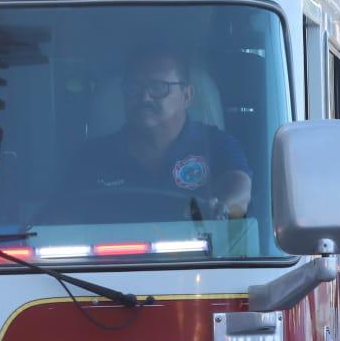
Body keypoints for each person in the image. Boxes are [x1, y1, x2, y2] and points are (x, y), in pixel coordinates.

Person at [59, 49, 252, 222]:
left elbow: (240, 186)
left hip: (199, 260)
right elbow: (61, 220)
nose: (144, 98)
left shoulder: (217, 145)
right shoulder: (92, 158)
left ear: (187, 95)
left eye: (158, 87)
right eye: (134, 88)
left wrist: (222, 207)